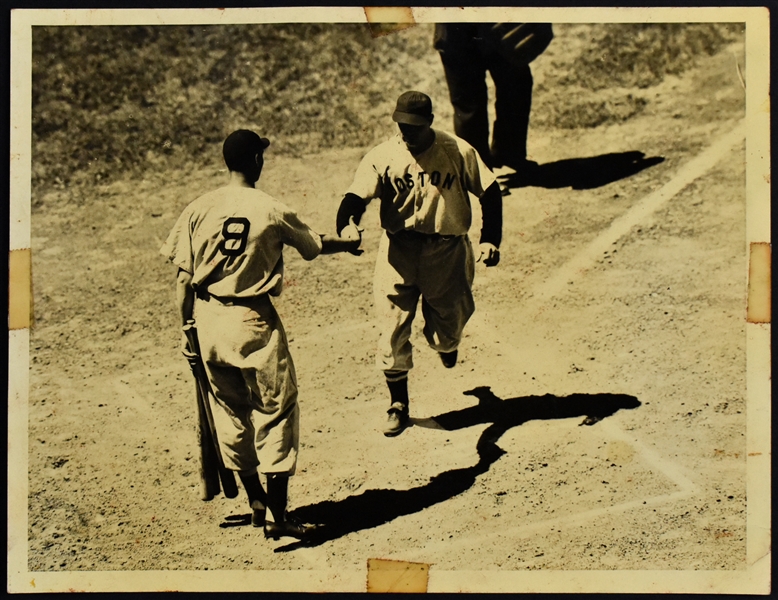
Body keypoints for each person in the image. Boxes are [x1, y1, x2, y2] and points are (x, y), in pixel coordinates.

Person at [160, 129, 361, 540]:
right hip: (252, 323)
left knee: (230, 411)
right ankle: (278, 514)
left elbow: (182, 281)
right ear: (255, 161)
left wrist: (187, 330)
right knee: (276, 409)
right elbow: (315, 245)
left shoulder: (198, 208)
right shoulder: (270, 208)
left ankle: (255, 500)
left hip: (207, 321)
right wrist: (350, 242)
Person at [336, 91, 502, 437]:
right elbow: (355, 196)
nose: (406, 132)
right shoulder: (383, 155)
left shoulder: (456, 150)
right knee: (391, 329)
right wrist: (347, 223)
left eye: (413, 126)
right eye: (401, 125)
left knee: (447, 332)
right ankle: (398, 404)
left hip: (447, 252)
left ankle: (446, 344)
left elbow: (490, 191)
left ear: (429, 121)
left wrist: (490, 238)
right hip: (398, 252)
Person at [433, 23, 553, 176]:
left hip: (501, 26)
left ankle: (508, 154)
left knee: (516, 86)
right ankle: (478, 176)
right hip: (457, 32)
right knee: (469, 105)